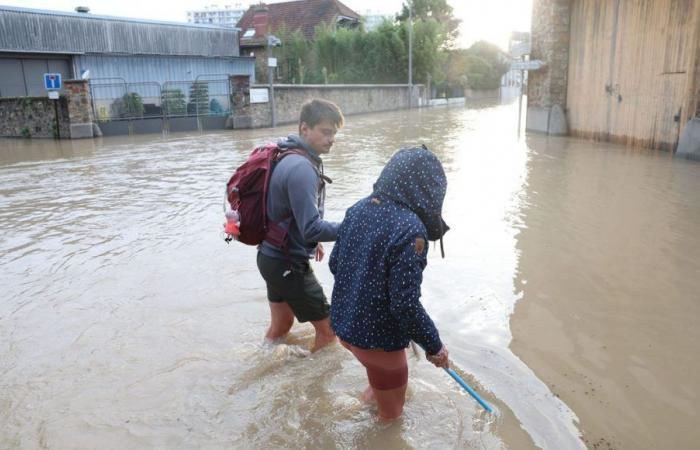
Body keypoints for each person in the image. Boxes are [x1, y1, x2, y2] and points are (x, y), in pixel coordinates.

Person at [329, 146, 450, 420]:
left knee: (377, 385)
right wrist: (435, 347)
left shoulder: (357, 208)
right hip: (380, 345)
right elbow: (404, 304)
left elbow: (336, 264)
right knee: (392, 419)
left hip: (346, 329)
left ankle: (353, 412)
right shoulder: (411, 231)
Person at [256, 98, 344, 353]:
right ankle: (307, 389)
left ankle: (263, 363)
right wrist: (353, 228)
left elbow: (287, 212)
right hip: (287, 264)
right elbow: (311, 228)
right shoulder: (302, 168)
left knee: (281, 325)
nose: (331, 139)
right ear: (304, 128)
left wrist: (312, 240)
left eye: (334, 133)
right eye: (326, 132)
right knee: (328, 332)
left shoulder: (287, 155)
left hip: (269, 258)